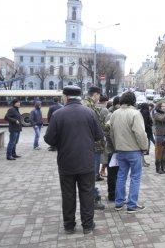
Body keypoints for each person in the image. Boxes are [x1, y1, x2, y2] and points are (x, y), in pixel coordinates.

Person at [44, 86, 103, 234]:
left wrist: (61, 142)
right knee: (87, 193)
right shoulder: (90, 112)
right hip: (86, 161)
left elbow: (49, 139)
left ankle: (69, 226)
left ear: (65, 97)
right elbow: (98, 135)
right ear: (79, 96)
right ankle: (88, 225)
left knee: (68, 194)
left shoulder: (58, 114)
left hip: (66, 162)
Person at [109, 91, 148, 212]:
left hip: (120, 149)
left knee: (121, 176)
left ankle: (119, 203)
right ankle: (131, 204)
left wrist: (117, 146)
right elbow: (140, 133)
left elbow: (112, 132)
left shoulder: (115, 113)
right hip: (134, 150)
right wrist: (144, 147)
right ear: (133, 101)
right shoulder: (135, 113)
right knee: (135, 177)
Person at [82, 86, 106, 210]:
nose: (99, 98)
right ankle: (93, 199)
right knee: (91, 174)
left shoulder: (83, 104)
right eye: (99, 96)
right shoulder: (90, 107)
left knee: (90, 174)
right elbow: (98, 126)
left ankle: (92, 197)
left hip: (86, 145)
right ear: (95, 94)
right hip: (93, 145)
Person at [105, 96, 120, 201]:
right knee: (112, 174)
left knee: (118, 173)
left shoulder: (118, 114)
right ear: (116, 104)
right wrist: (116, 147)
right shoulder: (110, 115)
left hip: (119, 149)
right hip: (113, 150)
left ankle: (117, 193)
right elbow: (108, 134)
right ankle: (112, 194)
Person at [153, 101, 165, 174]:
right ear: (159, 107)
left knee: (164, 152)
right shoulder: (156, 114)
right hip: (160, 135)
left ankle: (163, 167)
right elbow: (163, 119)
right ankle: (158, 168)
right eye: (163, 106)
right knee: (159, 152)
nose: (164, 108)